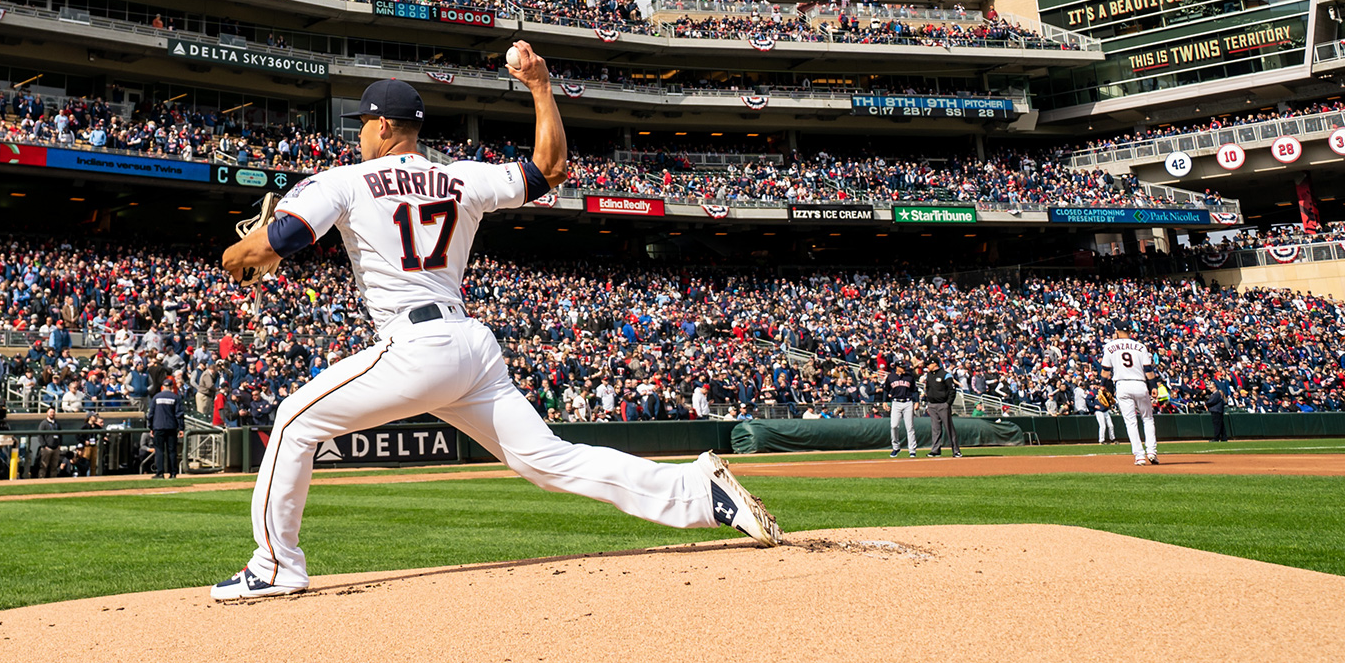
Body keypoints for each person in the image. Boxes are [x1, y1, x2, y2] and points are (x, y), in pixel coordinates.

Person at [209, 54, 782, 602]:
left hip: (414, 346)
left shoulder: (344, 180)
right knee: (548, 459)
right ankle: (699, 493)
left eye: (364, 123)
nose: (360, 133)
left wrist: (243, 254)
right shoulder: (462, 179)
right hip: (470, 346)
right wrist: (539, 85)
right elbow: (549, 169)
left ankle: (275, 566)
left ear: (384, 127)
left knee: (292, 422)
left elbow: (271, 246)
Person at [1100, 331, 1159, 466]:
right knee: (1148, 419)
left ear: (1117, 332)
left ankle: (1139, 456)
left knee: (1130, 422)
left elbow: (1105, 369)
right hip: (1140, 383)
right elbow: (1148, 369)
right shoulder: (1140, 346)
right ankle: (1151, 452)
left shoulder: (1110, 346)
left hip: (1122, 385)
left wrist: (1102, 385)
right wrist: (1153, 386)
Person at [919, 357, 961, 458]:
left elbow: (952, 390)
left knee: (949, 428)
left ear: (935, 364)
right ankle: (935, 450)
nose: (927, 366)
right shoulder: (929, 375)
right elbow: (928, 388)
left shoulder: (945, 374)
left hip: (943, 404)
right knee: (935, 429)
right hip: (932, 404)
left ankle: (956, 450)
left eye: (929, 364)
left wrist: (948, 403)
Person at [150, 374, 183, 479]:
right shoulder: (175, 397)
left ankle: (160, 473)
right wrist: (181, 428)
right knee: (172, 451)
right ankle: (173, 473)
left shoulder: (156, 397)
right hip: (171, 427)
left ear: (163, 387)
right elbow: (179, 414)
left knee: (159, 451)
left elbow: (150, 414)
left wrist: (150, 427)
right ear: (172, 387)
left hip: (158, 427)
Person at [886, 359, 918, 458]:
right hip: (896, 403)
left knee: (910, 427)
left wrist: (916, 401)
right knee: (894, 426)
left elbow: (914, 390)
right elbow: (886, 389)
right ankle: (896, 447)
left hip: (908, 402)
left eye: (904, 367)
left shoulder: (909, 377)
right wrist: (884, 401)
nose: (904, 369)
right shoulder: (891, 377)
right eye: (902, 367)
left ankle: (912, 450)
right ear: (897, 367)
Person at [1093, 381, 1117, 445]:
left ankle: (1112, 439)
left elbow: (1111, 401)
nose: (1103, 387)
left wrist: (1110, 403)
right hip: (1099, 411)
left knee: (1111, 425)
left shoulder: (1106, 393)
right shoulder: (1094, 392)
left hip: (1106, 410)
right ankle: (1101, 440)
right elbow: (1088, 400)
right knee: (1102, 426)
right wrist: (1093, 406)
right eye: (1101, 386)